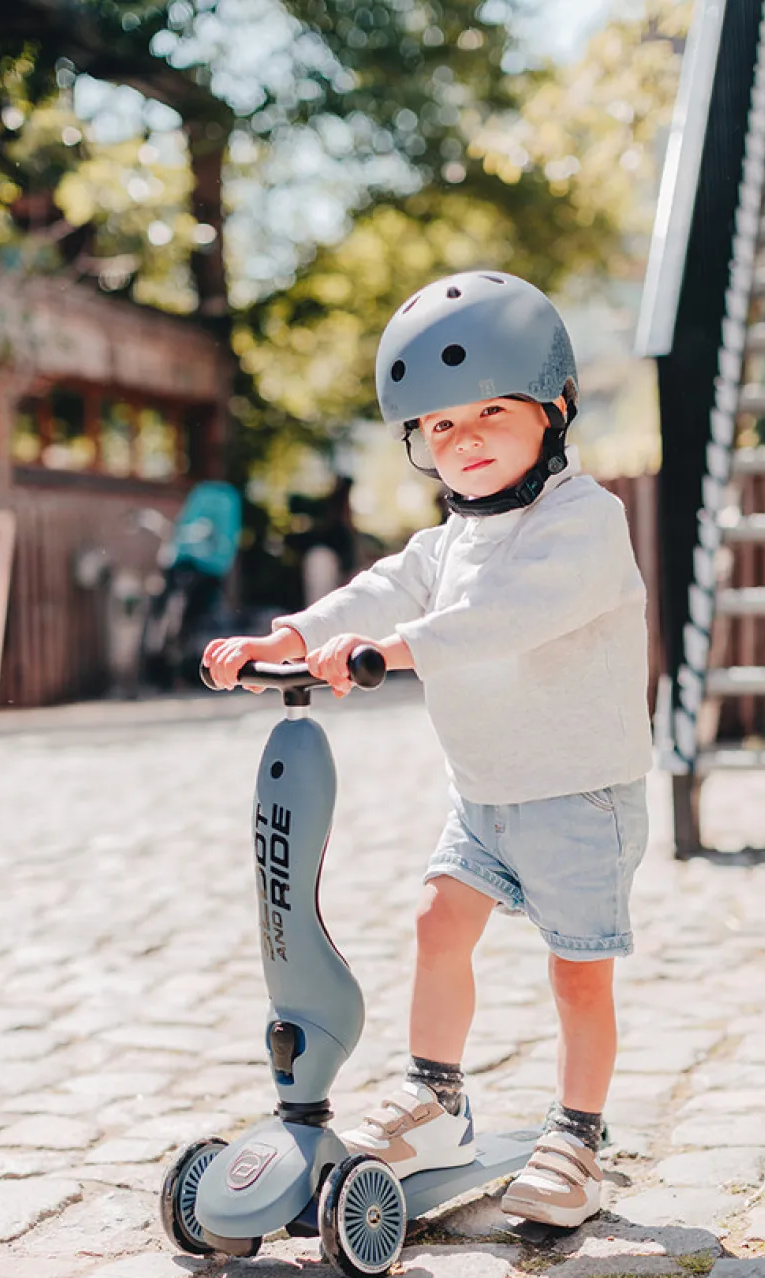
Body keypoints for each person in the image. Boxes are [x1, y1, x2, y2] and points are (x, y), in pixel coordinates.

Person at [204, 271, 652, 1228]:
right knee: (436, 924)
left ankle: (576, 1138)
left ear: (554, 409)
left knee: (578, 970)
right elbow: (374, 593)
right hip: (484, 793)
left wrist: (396, 652)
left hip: (580, 794)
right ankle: (437, 1099)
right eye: (442, 426)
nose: (468, 438)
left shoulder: (583, 522)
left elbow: (507, 619)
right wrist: (289, 638)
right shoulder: (450, 539)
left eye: (492, 410)